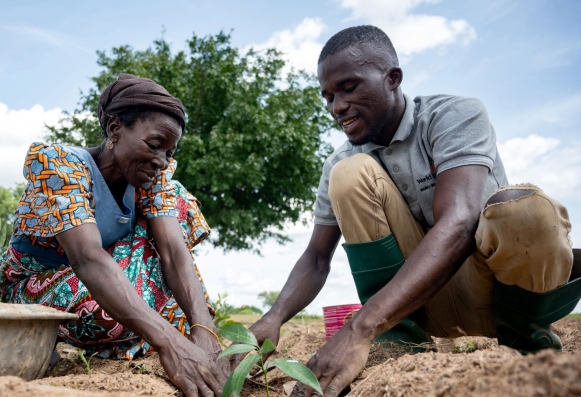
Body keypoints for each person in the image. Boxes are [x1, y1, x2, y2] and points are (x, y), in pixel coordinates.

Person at [244, 25, 581, 396]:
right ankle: (397, 343)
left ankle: (527, 343)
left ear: (393, 78)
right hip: (412, 308)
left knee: (525, 210)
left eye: (349, 87)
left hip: (497, 297)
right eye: (327, 96)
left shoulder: (454, 115)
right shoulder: (342, 159)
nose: (336, 107)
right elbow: (316, 257)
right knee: (349, 173)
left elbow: (460, 220)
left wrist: (358, 328)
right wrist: (273, 318)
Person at [0, 73, 227, 396]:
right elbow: (87, 259)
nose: (161, 161)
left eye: (169, 153)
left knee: (178, 204)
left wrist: (206, 333)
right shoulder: (58, 165)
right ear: (116, 129)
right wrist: (170, 343)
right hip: (37, 286)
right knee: (104, 312)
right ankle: (147, 332)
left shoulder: (153, 177)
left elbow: (174, 253)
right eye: (155, 145)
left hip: (108, 275)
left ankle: (159, 332)